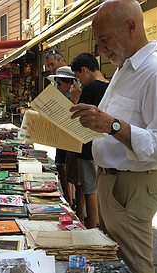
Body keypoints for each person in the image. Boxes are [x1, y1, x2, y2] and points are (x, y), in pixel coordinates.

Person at [70, 1, 157, 273]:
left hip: (133, 184)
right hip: (111, 180)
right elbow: (111, 126)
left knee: (137, 272)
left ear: (130, 27)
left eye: (104, 38)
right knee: (117, 268)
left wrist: (111, 125)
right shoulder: (124, 68)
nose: (101, 47)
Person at [69, 53, 109, 229]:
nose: (79, 81)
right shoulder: (109, 85)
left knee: (89, 189)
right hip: (105, 143)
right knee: (100, 187)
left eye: (78, 76)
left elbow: (81, 116)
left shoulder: (90, 87)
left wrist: (76, 98)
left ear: (84, 70)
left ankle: (92, 227)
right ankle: (100, 224)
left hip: (88, 145)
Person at [46, 49, 74, 208]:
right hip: (60, 134)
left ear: (61, 60)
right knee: (61, 166)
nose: (50, 68)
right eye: (49, 66)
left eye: (52, 64)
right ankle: (69, 201)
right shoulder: (58, 86)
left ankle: (71, 202)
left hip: (70, 135)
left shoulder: (71, 84)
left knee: (69, 170)